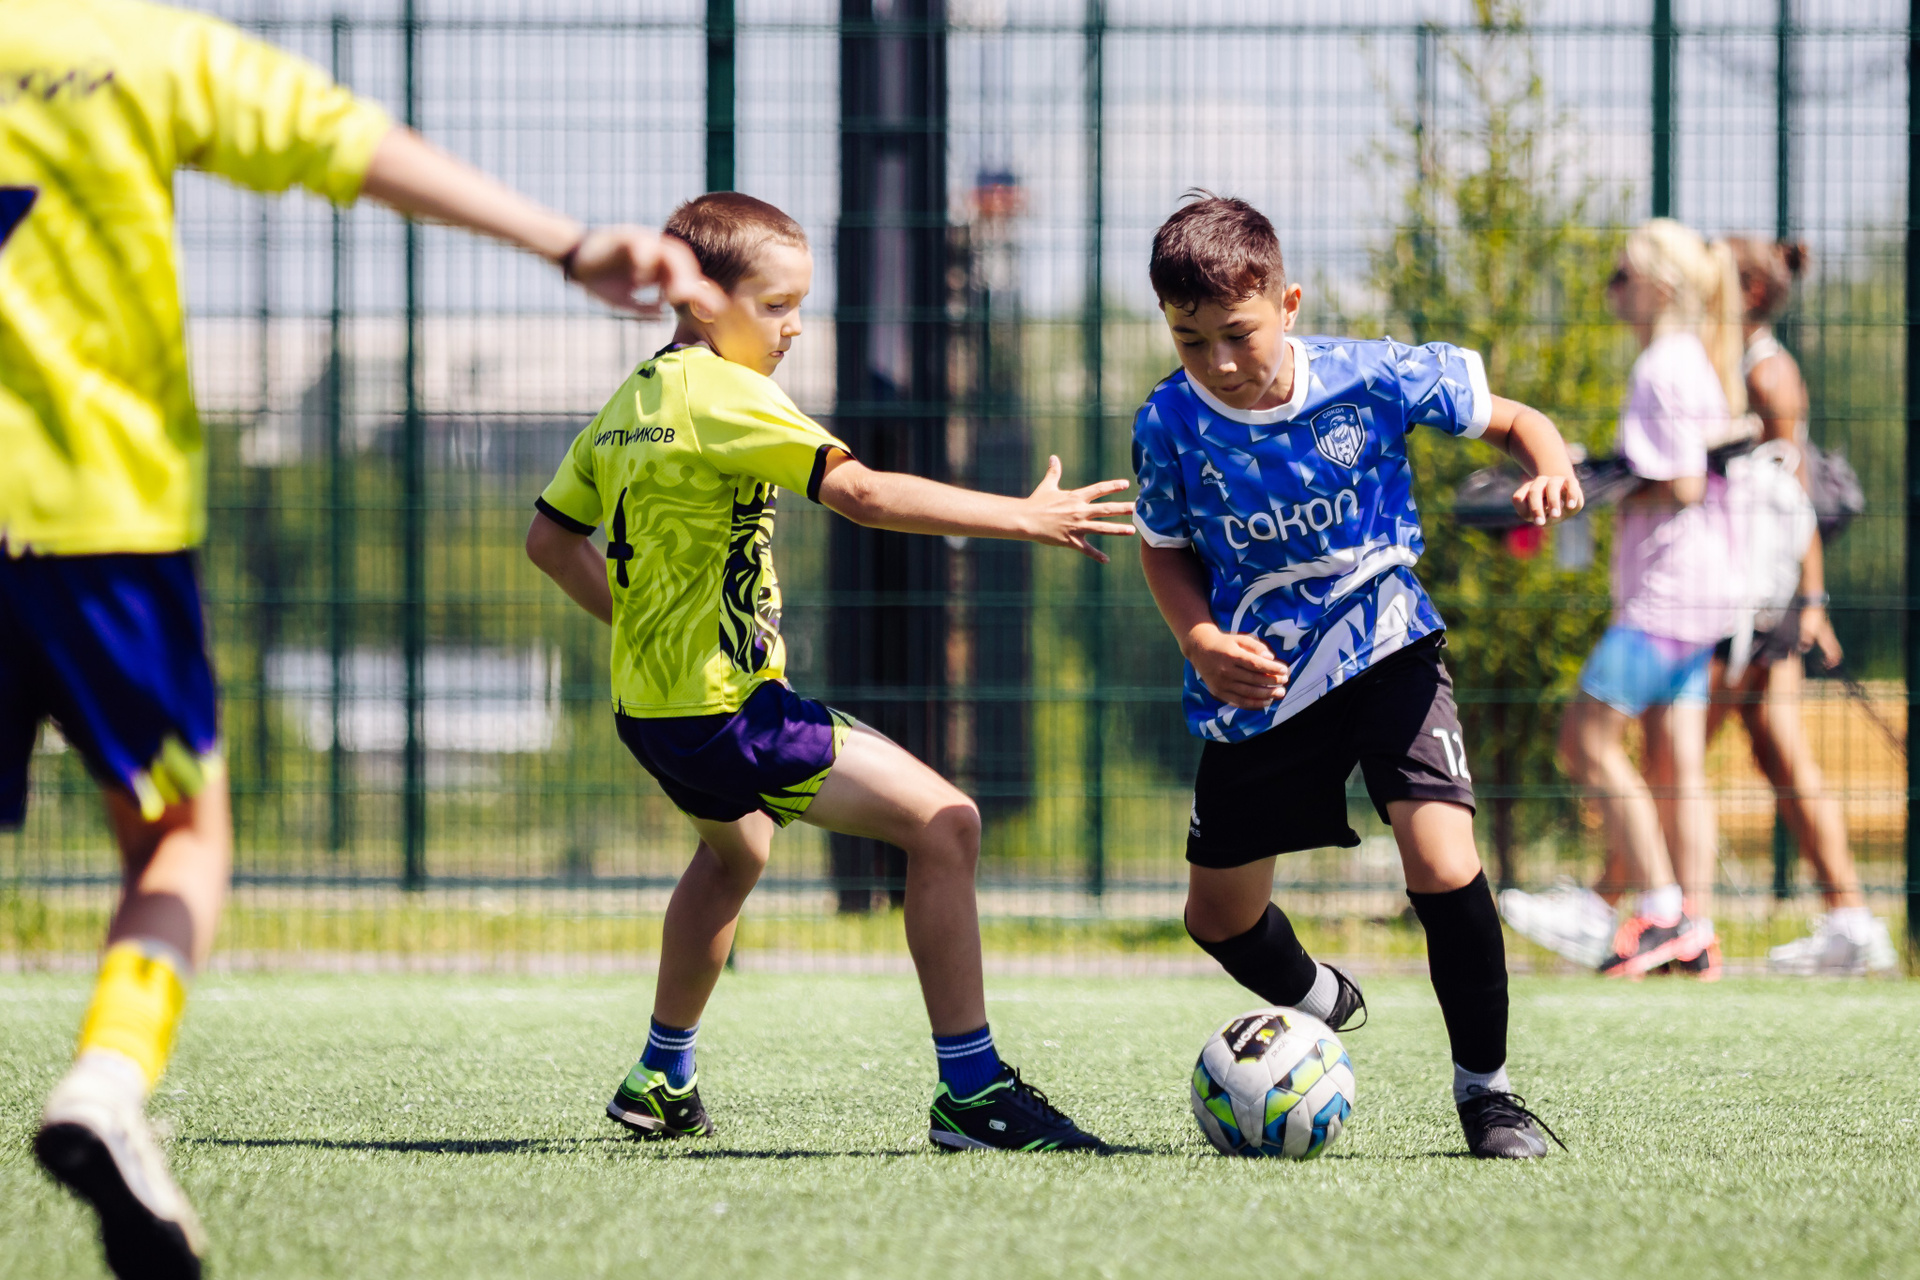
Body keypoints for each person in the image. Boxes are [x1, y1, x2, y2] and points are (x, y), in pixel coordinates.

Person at [3, 4, 724, 1276]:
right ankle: (106, 1083)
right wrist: (566, 244)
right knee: (176, 835)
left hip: (99, 520)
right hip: (97, 516)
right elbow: (352, 146)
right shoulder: (139, 48)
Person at [524, 192, 1133, 1156]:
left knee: (736, 854)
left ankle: (660, 1076)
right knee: (947, 824)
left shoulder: (631, 401)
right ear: (702, 300)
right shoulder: (727, 392)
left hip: (651, 711)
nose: (795, 326)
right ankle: (973, 1093)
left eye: (800, 304)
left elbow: (549, 542)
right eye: (776, 306)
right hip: (731, 714)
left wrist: (640, 627)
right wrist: (1022, 516)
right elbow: (863, 493)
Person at [1130, 195, 1579, 1159]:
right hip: (1258, 683)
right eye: (1189, 339)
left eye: (1238, 334)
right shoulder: (1167, 421)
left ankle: (1488, 1096)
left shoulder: (1369, 374)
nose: (1218, 362)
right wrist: (1201, 641)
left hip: (1386, 645)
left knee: (1443, 862)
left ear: (1288, 304)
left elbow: (1515, 420)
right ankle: (1320, 997)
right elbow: (1163, 548)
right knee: (1218, 919)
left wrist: (1545, 463)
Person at [1502, 219, 1744, 980]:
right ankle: (1694, 929)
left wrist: (1587, 481)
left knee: (1588, 740)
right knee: (1675, 763)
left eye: (1623, 274)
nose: (1613, 288)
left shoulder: (1661, 367)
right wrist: (1607, 469)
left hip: (1667, 595)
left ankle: (1662, 910)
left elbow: (1678, 481)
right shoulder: (1691, 360)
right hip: (1701, 593)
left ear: (1659, 288)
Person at [1704, 238, 1894, 975]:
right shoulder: (1734, 362)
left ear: (1750, 291)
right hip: (1749, 590)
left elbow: (1796, 497)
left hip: (1761, 596)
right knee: (1776, 749)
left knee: (1678, 741)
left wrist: (1813, 600)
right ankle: (1851, 919)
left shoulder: (1769, 374)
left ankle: (1627, 904)